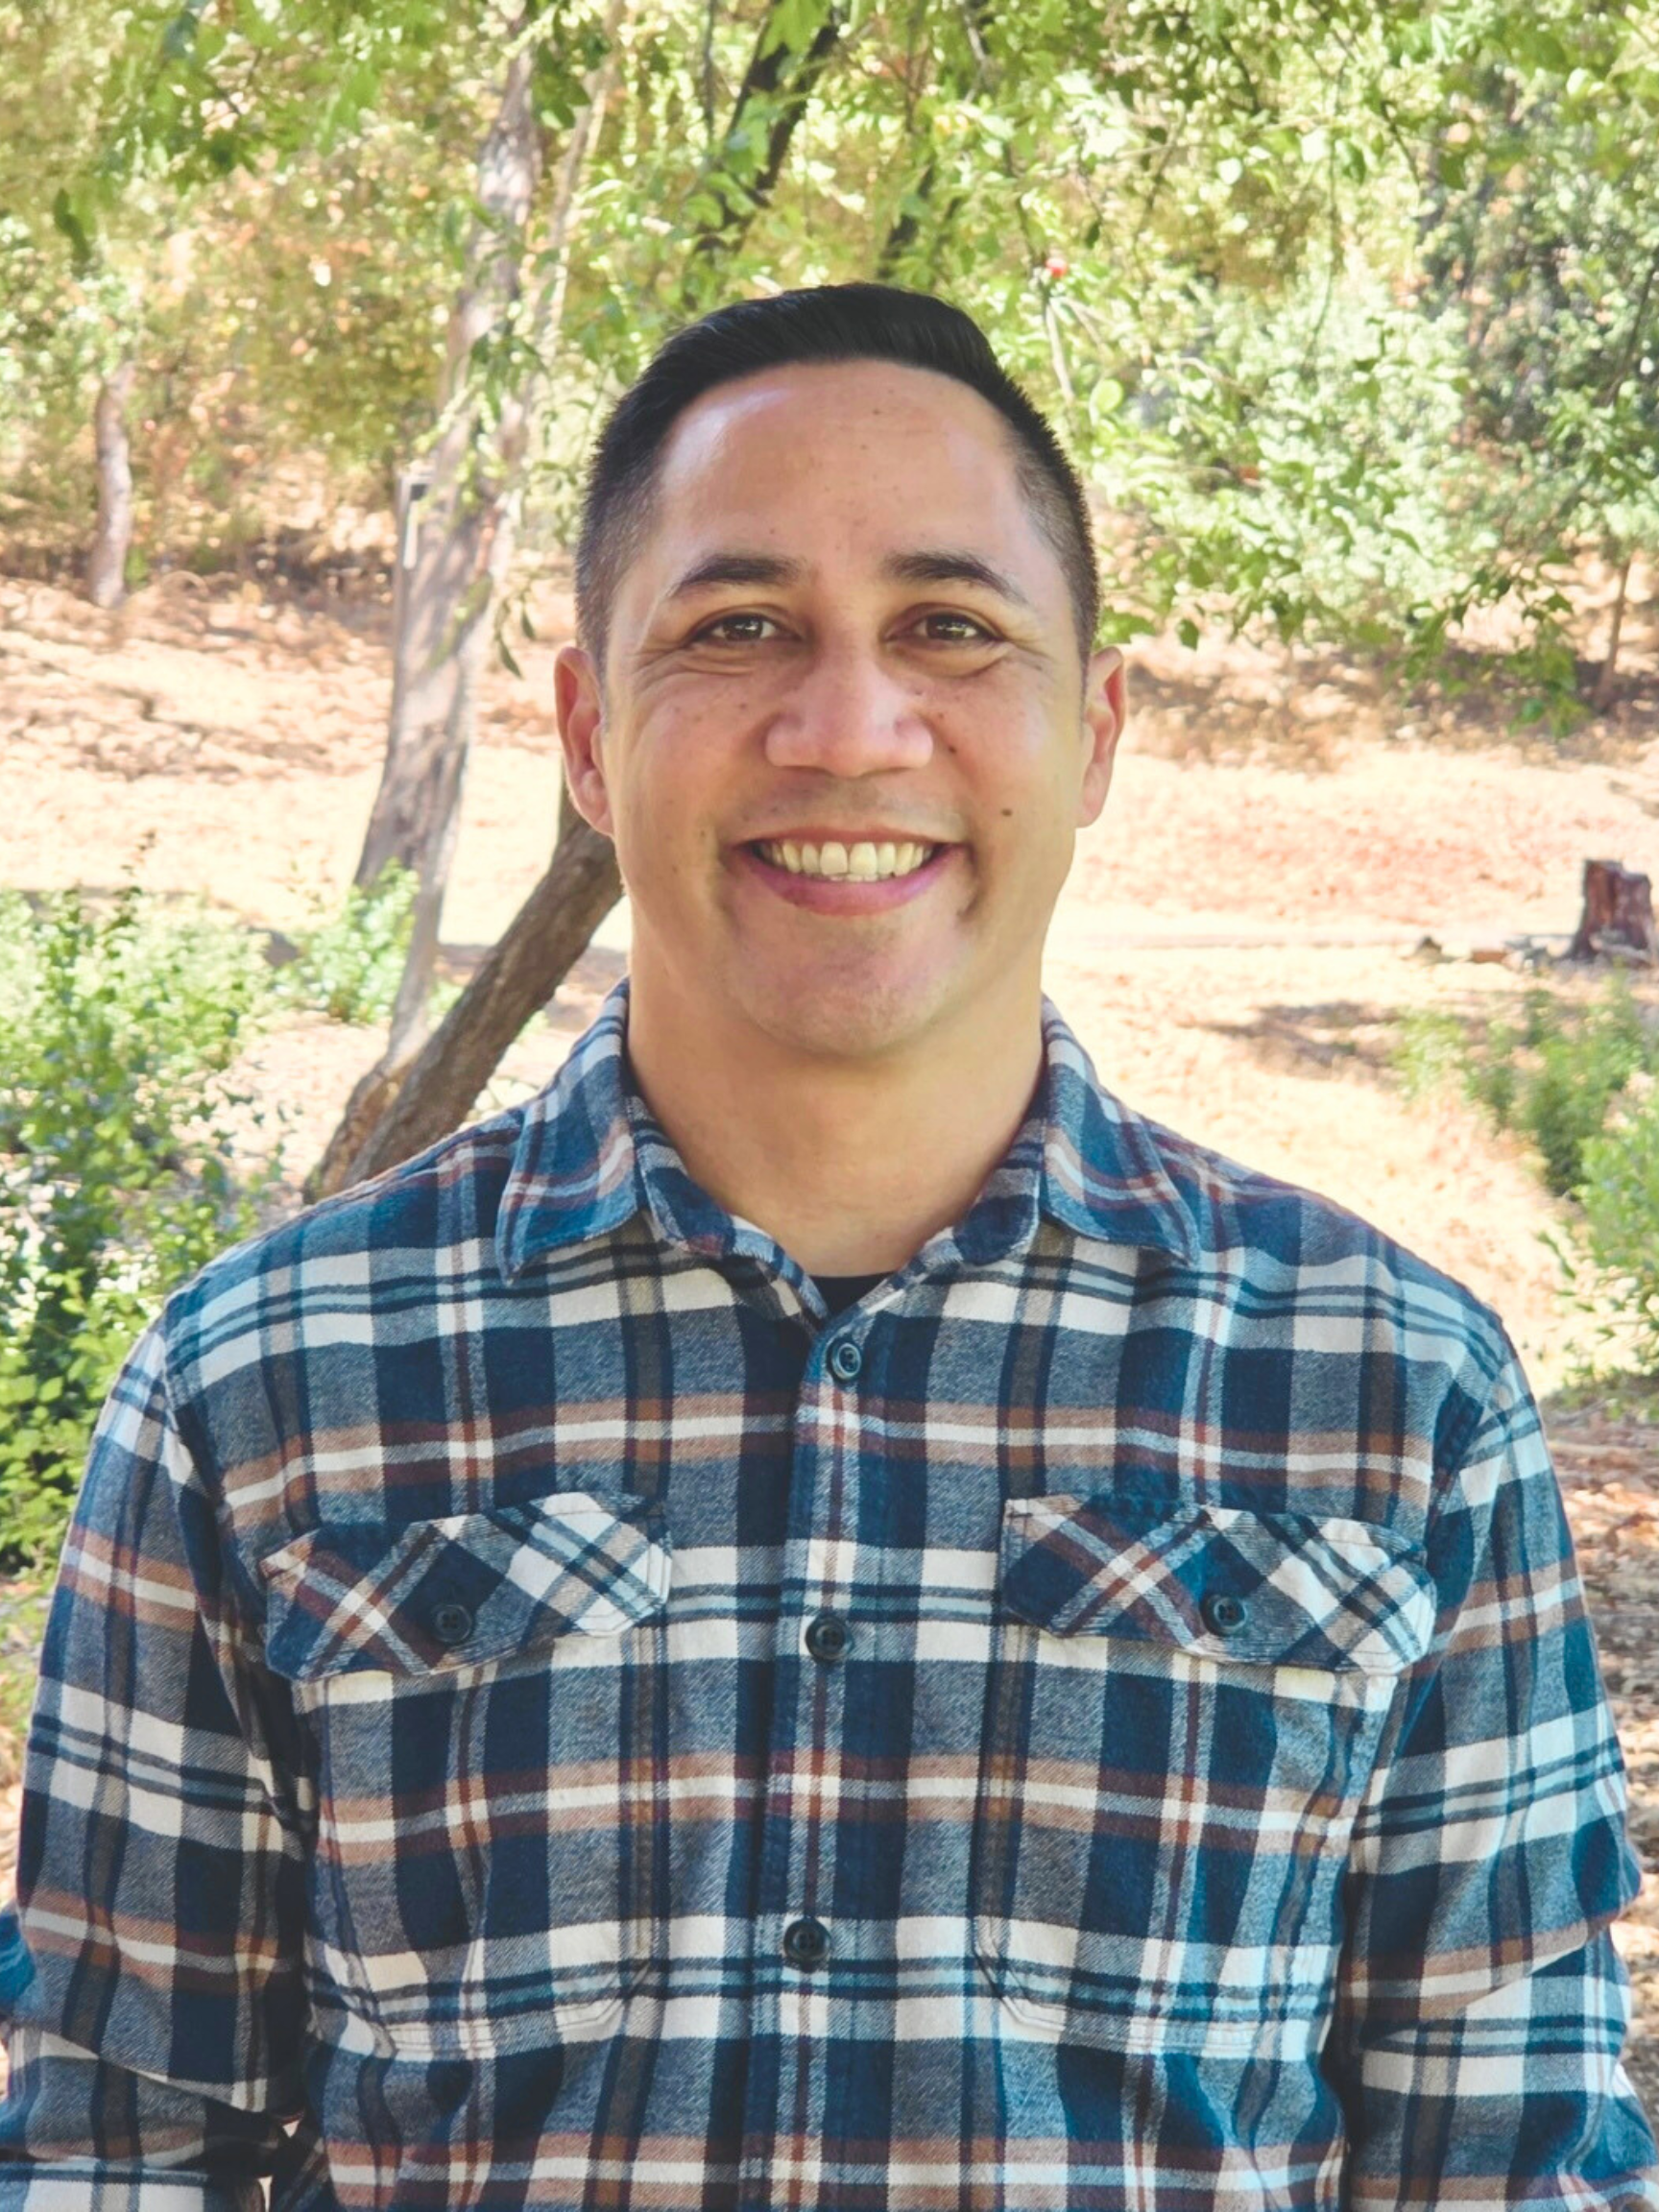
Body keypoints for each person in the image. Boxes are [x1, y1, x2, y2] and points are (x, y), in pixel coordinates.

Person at [0, 282, 1652, 2211]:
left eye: (949, 627)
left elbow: (1508, 2159)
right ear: (590, 738)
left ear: (1095, 732)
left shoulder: (1391, 1393)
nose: (850, 730)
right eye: (738, 628)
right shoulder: (263, 1389)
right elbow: (115, 2152)